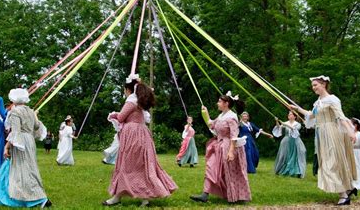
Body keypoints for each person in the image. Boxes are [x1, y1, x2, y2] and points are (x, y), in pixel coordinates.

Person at [102, 75, 177, 207]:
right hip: (142, 134)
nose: (124, 92)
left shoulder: (131, 101)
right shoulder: (140, 101)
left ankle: (117, 197)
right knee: (141, 165)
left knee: (127, 165)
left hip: (133, 135)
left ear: (128, 89)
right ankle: (143, 198)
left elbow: (121, 117)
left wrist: (112, 115)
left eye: (125, 89)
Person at [290, 75, 357, 205]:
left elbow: (340, 117)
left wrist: (350, 132)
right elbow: (311, 115)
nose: (313, 87)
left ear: (324, 84)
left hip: (331, 132)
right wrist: (297, 108)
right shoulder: (318, 102)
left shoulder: (332, 99)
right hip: (321, 134)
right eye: (313, 86)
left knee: (331, 163)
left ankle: (344, 194)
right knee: (328, 162)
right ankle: (348, 188)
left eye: (315, 85)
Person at [0, 88, 51, 208]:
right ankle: (37, 196)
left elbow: (15, 132)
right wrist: (35, 117)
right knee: (30, 168)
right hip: (29, 141)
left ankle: (34, 197)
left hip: (21, 142)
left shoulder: (15, 112)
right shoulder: (30, 111)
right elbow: (36, 126)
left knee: (21, 169)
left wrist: (6, 147)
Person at [191, 92, 251, 203]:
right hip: (219, 146)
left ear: (226, 103)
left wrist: (231, 152)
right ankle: (205, 194)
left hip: (228, 146)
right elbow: (211, 125)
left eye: (219, 101)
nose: (217, 103)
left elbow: (234, 135)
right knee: (211, 167)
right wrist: (206, 114)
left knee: (230, 172)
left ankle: (236, 195)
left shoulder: (232, 117)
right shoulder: (221, 115)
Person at [272, 111, 307, 178]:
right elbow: (279, 127)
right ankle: (283, 170)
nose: (289, 116)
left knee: (297, 154)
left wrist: (285, 125)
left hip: (295, 141)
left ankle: (296, 171)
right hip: (286, 141)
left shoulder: (297, 124)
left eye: (291, 114)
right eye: (289, 115)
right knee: (284, 155)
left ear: (295, 116)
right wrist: (277, 121)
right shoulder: (285, 122)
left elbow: (294, 129)